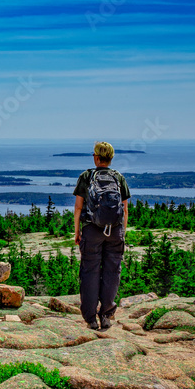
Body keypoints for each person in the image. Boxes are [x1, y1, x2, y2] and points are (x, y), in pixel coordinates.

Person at [72, 141, 130, 330]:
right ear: (111, 159)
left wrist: (77, 231)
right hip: (115, 230)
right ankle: (106, 315)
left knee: (90, 272)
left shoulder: (87, 176)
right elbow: (125, 209)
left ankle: (90, 319)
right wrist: (122, 232)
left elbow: (78, 207)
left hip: (92, 230)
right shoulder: (118, 177)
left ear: (96, 157)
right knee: (112, 272)